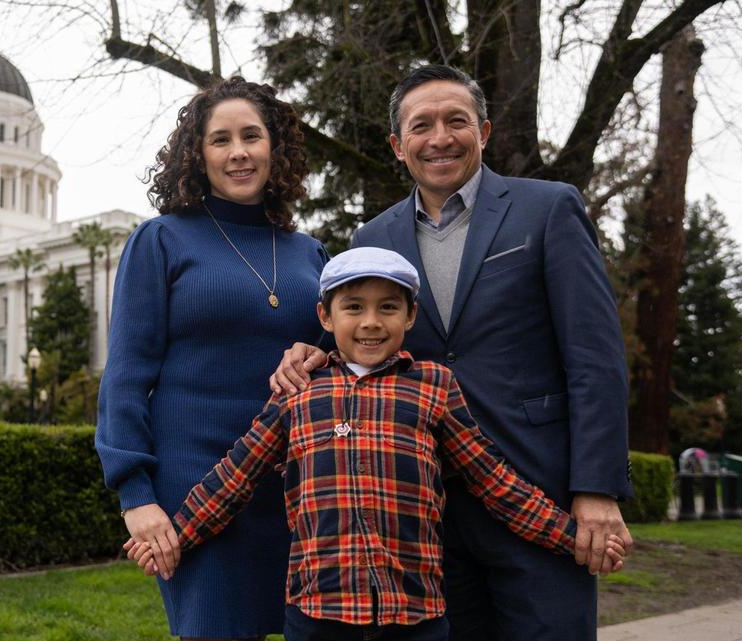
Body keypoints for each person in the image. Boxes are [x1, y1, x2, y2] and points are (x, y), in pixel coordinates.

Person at [271, 65, 634, 641]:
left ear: (483, 131)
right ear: (398, 145)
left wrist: (596, 488)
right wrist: (307, 352)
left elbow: (595, 358)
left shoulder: (547, 209)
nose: (439, 137)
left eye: (456, 121)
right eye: (421, 126)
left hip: (539, 490)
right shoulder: (373, 238)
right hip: (426, 518)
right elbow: (360, 339)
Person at [130, 247, 626, 641]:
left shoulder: (433, 384)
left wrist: (572, 536)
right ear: (325, 316)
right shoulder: (300, 391)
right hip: (318, 608)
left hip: (415, 612)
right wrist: (175, 536)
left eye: (388, 307)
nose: (371, 322)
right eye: (354, 307)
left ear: (410, 316)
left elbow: (492, 479)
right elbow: (235, 476)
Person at [95, 77, 329, 640]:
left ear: (275, 148)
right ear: (198, 156)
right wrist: (137, 498)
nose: (239, 151)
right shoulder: (161, 240)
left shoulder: (311, 252)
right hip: (198, 491)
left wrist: (320, 354)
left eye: (252, 136)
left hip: (300, 491)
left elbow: (344, 353)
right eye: (220, 140)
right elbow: (126, 377)